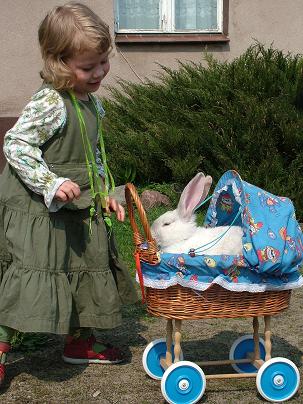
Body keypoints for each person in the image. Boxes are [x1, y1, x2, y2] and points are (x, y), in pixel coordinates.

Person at [0, 2, 138, 386]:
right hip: (39, 208)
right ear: (60, 63)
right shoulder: (49, 103)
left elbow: (92, 154)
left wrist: (105, 192)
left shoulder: (91, 102)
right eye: (87, 67)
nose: (98, 73)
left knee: (85, 267)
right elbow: (16, 145)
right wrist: (51, 183)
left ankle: (80, 343)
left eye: (102, 63)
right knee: (33, 274)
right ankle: (1, 348)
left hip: (78, 204)